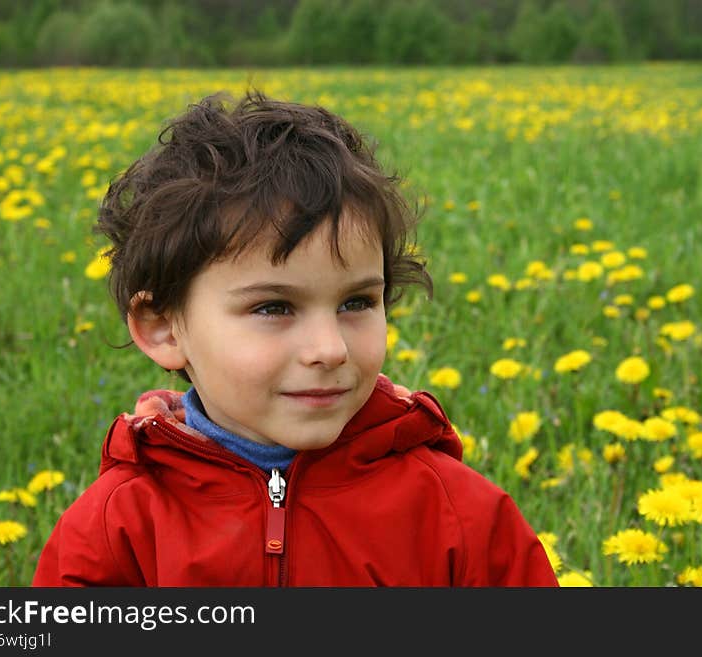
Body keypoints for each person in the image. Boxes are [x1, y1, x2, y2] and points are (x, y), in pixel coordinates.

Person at [32, 91, 558, 587]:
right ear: (163, 327)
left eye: (356, 303)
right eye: (274, 307)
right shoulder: (116, 530)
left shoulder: (459, 515)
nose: (330, 349)